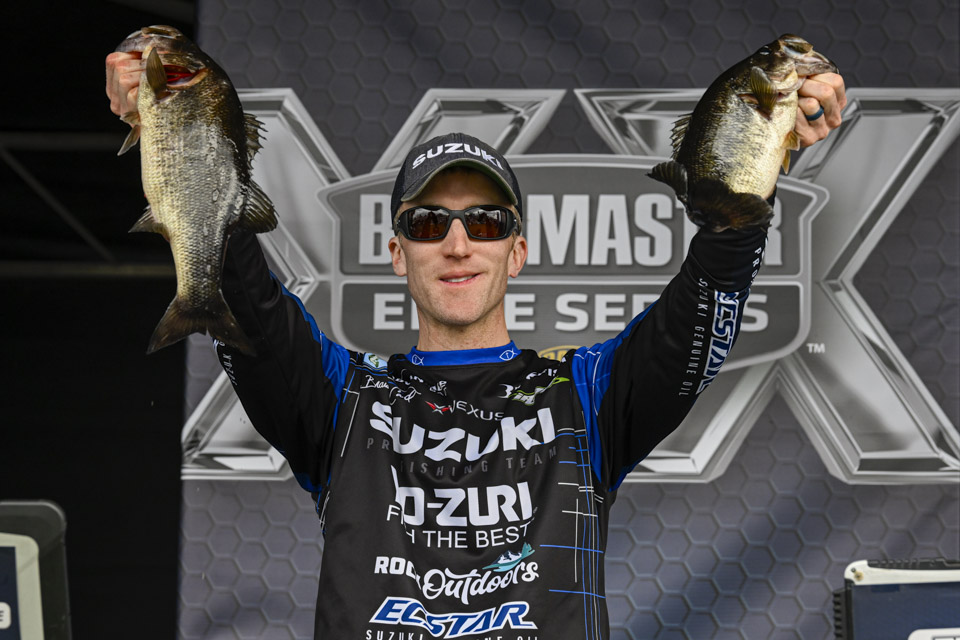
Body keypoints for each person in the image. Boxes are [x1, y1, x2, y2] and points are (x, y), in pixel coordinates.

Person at [107, 42, 845, 640]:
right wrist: (173, 111)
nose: (457, 244)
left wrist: (755, 161)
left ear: (516, 253)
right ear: (397, 253)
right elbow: (242, 290)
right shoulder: (341, 398)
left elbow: (700, 311)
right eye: (429, 223)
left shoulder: (585, 394)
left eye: (485, 223)